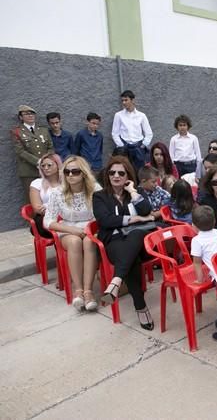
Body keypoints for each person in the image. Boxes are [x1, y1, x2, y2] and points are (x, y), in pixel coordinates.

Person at [93, 156, 156, 330]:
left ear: (128, 175)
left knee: (136, 235)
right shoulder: (100, 196)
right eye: (112, 172)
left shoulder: (136, 191)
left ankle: (116, 281)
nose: (116, 176)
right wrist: (133, 219)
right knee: (130, 259)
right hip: (114, 242)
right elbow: (105, 220)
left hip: (141, 243)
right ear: (107, 175)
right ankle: (140, 307)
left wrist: (133, 192)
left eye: (121, 173)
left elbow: (147, 210)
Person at [44, 156, 101, 311]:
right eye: (67, 171)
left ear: (83, 173)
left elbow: (101, 215)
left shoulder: (95, 189)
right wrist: (74, 230)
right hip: (68, 229)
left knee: (88, 242)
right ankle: (78, 290)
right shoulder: (57, 193)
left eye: (75, 171)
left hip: (91, 229)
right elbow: (48, 221)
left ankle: (88, 291)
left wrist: (88, 230)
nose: (70, 175)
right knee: (75, 241)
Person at [189, 205, 217, 340]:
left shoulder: (197, 240)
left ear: (194, 225)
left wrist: (199, 280)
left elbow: (197, 262)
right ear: (214, 222)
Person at [13, 105, 54, 201]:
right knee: (32, 200)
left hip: (46, 170)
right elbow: (20, 151)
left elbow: (50, 147)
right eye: (27, 114)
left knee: (49, 197)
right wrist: (39, 161)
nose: (30, 116)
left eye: (32, 114)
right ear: (21, 117)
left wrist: (45, 162)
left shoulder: (43, 130)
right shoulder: (17, 131)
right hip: (29, 172)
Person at [111, 90, 153, 171]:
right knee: (125, 170)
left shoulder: (141, 116)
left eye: (126, 100)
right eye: (122, 100)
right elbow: (114, 133)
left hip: (138, 147)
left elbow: (149, 133)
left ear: (133, 100)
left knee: (140, 170)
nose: (123, 102)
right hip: (125, 148)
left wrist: (143, 145)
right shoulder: (118, 115)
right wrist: (121, 145)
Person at [30, 154, 63, 238]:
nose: (46, 168)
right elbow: (37, 208)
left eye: (49, 165)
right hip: (44, 218)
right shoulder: (36, 183)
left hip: (65, 216)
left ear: (58, 165)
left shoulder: (66, 183)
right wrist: (55, 210)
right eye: (43, 166)